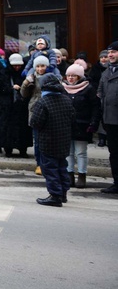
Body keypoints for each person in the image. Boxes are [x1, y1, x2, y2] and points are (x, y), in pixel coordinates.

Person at [29, 74, 75, 207]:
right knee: (62, 167)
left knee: (50, 169)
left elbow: (35, 122)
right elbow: (73, 119)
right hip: (64, 141)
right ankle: (63, 193)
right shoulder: (66, 100)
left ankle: (55, 195)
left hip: (48, 142)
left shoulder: (43, 102)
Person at [62, 63, 100, 189]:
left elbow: (95, 107)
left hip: (82, 125)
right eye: (68, 75)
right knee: (68, 152)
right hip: (67, 125)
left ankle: (82, 176)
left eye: (74, 76)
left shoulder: (88, 89)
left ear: (79, 77)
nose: (70, 78)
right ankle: (69, 175)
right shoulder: (63, 88)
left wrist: (93, 123)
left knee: (81, 152)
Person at [21, 55, 52, 175]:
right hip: (35, 110)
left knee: (48, 141)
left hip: (49, 110)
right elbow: (24, 94)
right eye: (38, 66)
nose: (40, 69)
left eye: (42, 66)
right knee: (38, 141)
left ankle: (48, 163)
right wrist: (26, 82)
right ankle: (39, 164)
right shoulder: (32, 78)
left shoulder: (51, 77)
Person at [0, 53, 32, 158]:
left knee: (23, 129)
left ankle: (23, 150)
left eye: (19, 65)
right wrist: (10, 88)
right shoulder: (3, 73)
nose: (17, 67)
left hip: (22, 107)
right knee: (8, 129)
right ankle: (8, 149)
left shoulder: (25, 74)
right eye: (15, 66)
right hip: (8, 106)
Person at [97, 41, 118, 194]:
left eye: (114, 52)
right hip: (109, 120)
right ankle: (116, 182)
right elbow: (100, 94)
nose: (110, 55)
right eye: (109, 52)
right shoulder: (106, 73)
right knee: (114, 153)